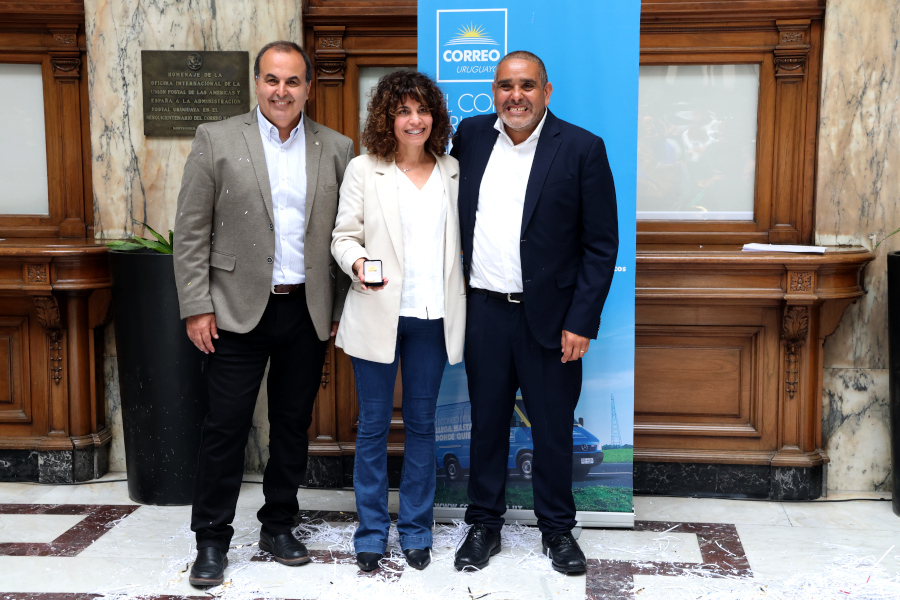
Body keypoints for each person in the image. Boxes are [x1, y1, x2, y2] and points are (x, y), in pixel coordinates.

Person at [173, 41, 354, 587]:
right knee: (224, 427)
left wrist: (340, 308)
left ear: (308, 87)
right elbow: (190, 231)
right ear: (257, 84)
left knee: (293, 427)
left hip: (306, 311)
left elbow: (346, 235)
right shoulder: (216, 139)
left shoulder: (337, 148)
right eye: (272, 80)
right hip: (233, 312)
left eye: (293, 81)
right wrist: (196, 305)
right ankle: (211, 539)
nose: (282, 91)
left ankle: (278, 525)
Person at [450, 51, 618, 574]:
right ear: (493, 91)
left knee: (550, 428)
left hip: (552, 318)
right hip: (485, 313)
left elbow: (601, 245)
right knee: (488, 424)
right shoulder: (471, 138)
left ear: (547, 91)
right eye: (505, 86)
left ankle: (558, 531)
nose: (515, 96)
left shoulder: (583, 149)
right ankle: (483, 525)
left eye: (527, 86)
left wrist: (581, 320)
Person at [331, 70, 465, 572]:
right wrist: (358, 263)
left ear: (435, 117)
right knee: (371, 429)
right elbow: (343, 236)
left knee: (424, 428)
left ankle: (415, 530)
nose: (414, 120)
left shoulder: (453, 170)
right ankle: (370, 533)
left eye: (422, 110)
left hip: (433, 319)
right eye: (403, 111)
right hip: (377, 314)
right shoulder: (366, 170)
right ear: (388, 117)